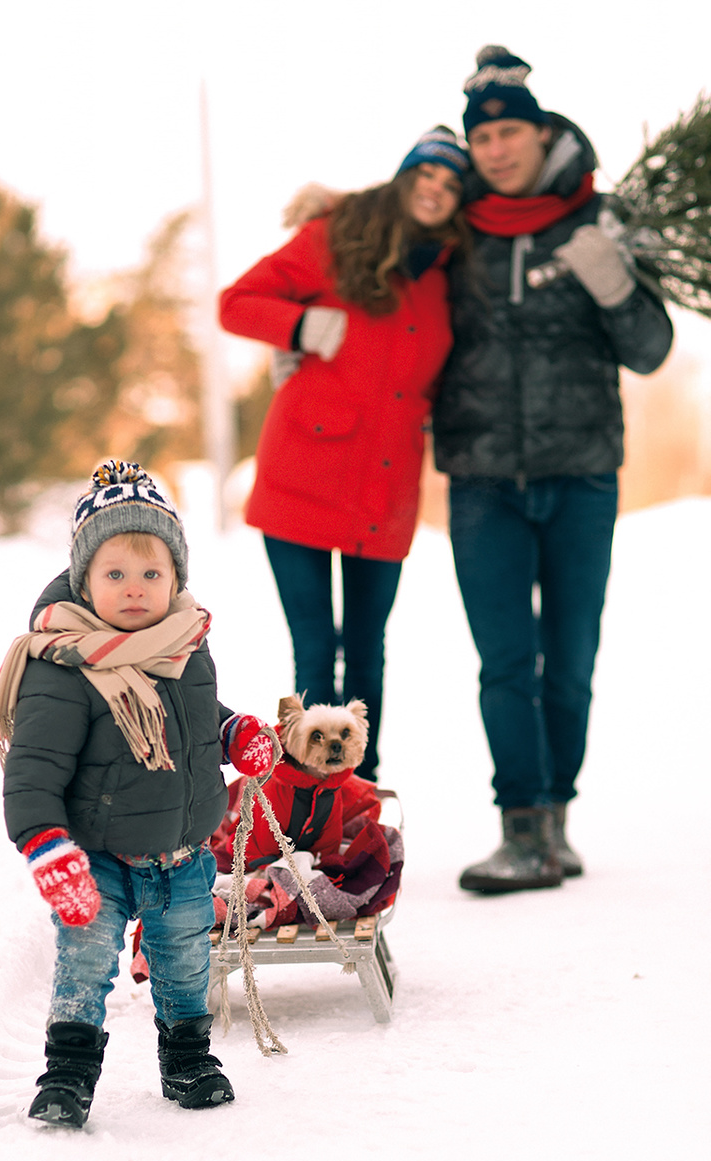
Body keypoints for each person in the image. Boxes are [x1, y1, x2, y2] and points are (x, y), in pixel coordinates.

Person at [432, 47, 675, 892]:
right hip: (483, 477)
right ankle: (522, 826)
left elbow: (651, 350)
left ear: (542, 134)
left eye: (511, 131)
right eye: (484, 135)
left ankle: (556, 818)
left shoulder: (600, 221)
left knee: (570, 659)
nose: (497, 149)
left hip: (581, 473)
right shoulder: (451, 230)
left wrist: (616, 289)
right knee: (505, 661)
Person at [0, 461, 277, 1128]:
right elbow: (32, 769)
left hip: (180, 854)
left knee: (182, 960)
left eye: (152, 574)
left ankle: (187, 1060)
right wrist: (45, 845)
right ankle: (68, 1073)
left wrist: (235, 734)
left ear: (176, 578)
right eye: (115, 573)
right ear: (85, 580)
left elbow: (200, 718)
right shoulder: (63, 666)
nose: (136, 590)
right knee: (86, 961)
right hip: (97, 855)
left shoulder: (185, 645)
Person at [219, 126, 471, 781]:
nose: (436, 193)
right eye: (426, 177)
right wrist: (298, 326)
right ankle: (306, 791)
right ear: (403, 179)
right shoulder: (334, 239)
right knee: (314, 648)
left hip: (384, 491)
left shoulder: (451, 274)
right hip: (301, 476)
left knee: (366, 652)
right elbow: (236, 302)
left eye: (451, 185)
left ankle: (359, 793)